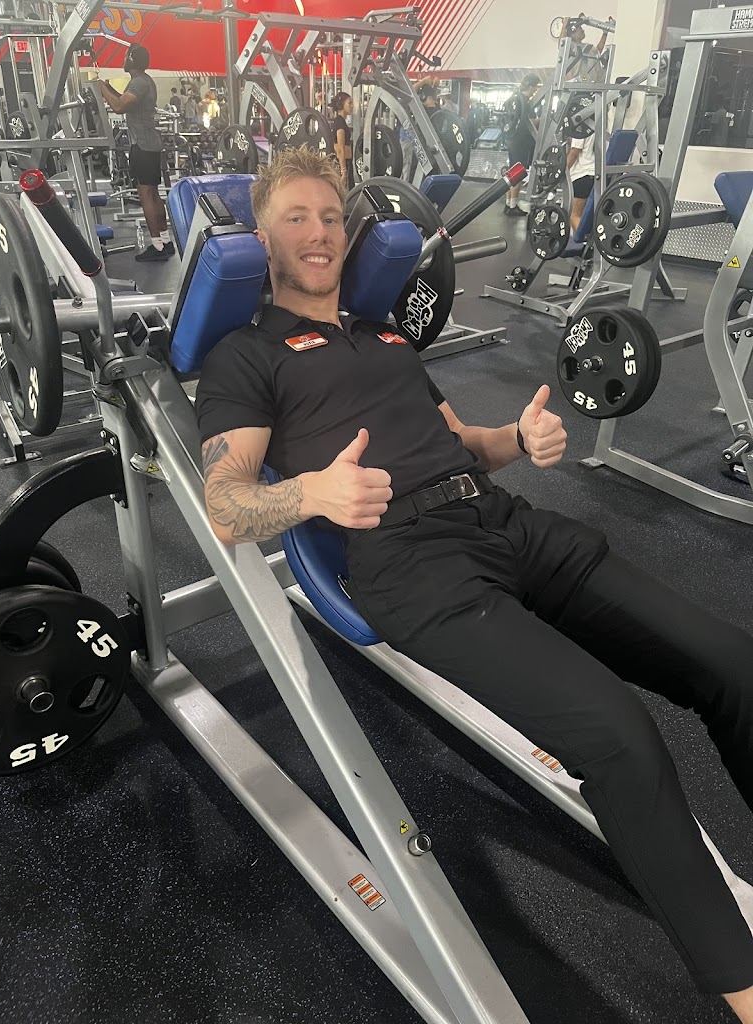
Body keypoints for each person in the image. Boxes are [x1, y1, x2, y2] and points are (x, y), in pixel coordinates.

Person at [195, 146, 753, 1023]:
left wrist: (518, 440)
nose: (319, 232)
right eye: (296, 218)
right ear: (264, 240)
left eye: (331, 216)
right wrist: (310, 495)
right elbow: (225, 505)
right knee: (618, 736)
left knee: (732, 662)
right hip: (410, 563)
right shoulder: (246, 355)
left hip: (505, 523)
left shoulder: (385, 335)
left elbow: (463, 443)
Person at [97, 44, 173, 262]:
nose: (123, 60)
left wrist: (99, 87)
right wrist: (109, 89)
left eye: (125, 57)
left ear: (132, 60)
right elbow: (125, 101)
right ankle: (165, 241)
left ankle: (157, 246)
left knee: (146, 195)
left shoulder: (139, 82)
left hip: (143, 145)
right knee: (154, 195)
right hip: (149, 144)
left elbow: (119, 107)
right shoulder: (144, 80)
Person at [503, 73, 541, 216]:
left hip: (512, 140)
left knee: (511, 172)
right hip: (521, 142)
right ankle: (513, 206)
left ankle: (508, 204)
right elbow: (531, 123)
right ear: (530, 86)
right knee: (518, 173)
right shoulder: (525, 102)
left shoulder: (514, 98)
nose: (536, 90)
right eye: (535, 87)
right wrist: (543, 119)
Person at [562, 13, 612, 82]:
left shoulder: (586, 47)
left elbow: (597, 51)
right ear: (573, 34)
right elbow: (562, 44)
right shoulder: (571, 47)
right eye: (580, 29)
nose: (583, 30)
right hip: (577, 84)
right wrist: (564, 25)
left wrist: (605, 33)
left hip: (591, 83)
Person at [566, 131, 595, 234]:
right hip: (596, 175)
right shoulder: (600, 127)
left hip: (582, 176)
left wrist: (562, 172)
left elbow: (574, 152)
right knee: (590, 216)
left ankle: (585, 241)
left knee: (574, 216)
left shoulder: (580, 129)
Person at [330, 91, 354, 190]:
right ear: (341, 105)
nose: (352, 106)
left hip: (346, 163)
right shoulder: (339, 122)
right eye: (349, 103)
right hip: (343, 164)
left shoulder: (340, 121)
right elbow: (340, 148)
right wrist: (343, 171)